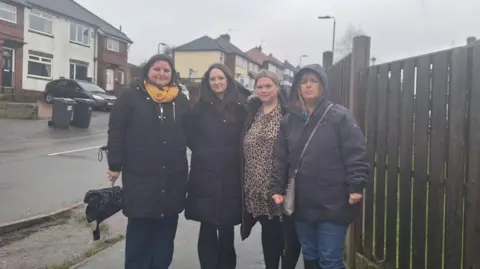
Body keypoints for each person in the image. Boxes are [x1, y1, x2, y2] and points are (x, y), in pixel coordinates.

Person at [270, 64, 370, 269]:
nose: (308, 86)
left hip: (333, 202)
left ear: (322, 86)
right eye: (303, 82)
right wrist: (277, 188)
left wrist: (356, 185)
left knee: (330, 259)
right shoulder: (289, 122)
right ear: (297, 87)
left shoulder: (340, 117)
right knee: (310, 254)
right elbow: (281, 158)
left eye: (313, 81)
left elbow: (356, 152)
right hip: (302, 202)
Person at [106, 54, 190, 269]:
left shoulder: (180, 99)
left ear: (172, 74)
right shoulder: (131, 96)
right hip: (140, 176)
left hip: (173, 176)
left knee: (166, 229)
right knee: (140, 229)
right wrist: (115, 164)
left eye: (166, 70)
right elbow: (117, 130)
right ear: (147, 71)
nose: (161, 74)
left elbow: (193, 132)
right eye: (157, 69)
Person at [184, 63, 250, 269]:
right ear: (207, 82)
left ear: (228, 80)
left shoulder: (240, 108)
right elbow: (189, 134)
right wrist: (204, 152)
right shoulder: (199, 108)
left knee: (227, 227)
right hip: (205, 175)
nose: (217, 82)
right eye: (212, 79)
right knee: (208, 225)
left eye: (220, 78)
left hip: (231, 175)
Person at [240, 70, 301, 269]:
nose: (263, 90)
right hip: (256, 189)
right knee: (269, 237)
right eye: (259, 86)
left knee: (286, 239)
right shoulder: (252, 112)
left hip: (279, 187)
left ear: (277, 87)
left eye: (268, 86)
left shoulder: (287, 113)